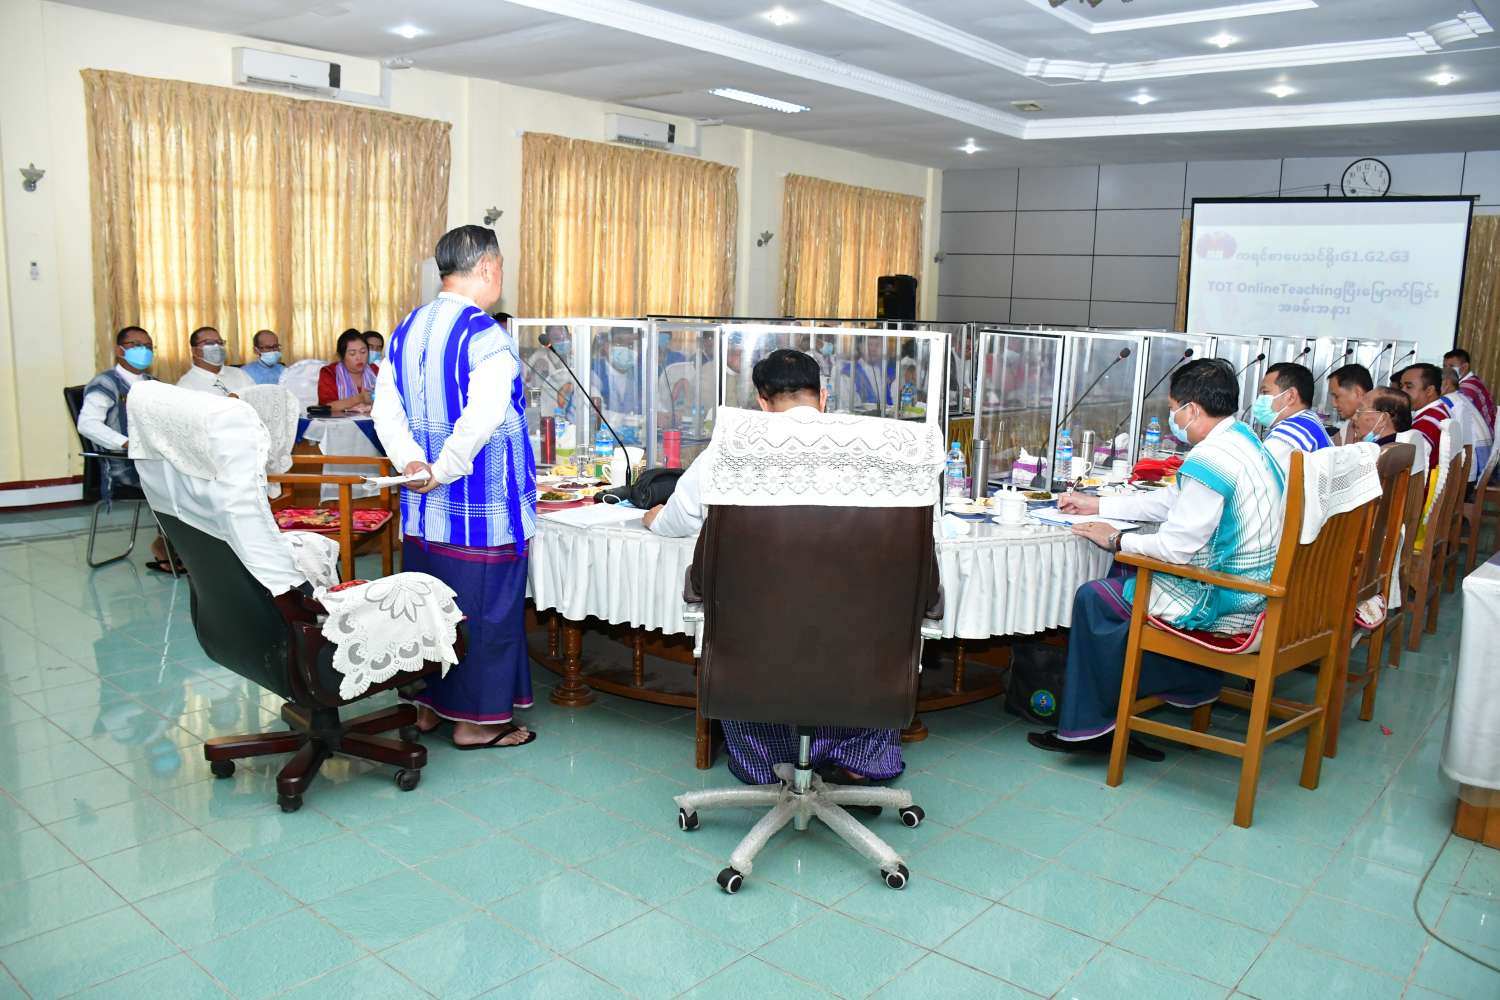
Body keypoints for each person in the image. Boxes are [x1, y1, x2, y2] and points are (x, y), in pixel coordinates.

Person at [646, 349, 905, 785]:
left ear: (761, 402)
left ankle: (767, 760)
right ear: (824, 396)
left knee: (753, 627)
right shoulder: (874, 452)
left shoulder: (729, 452)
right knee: (853, 627)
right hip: (856, 644)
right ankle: (857, 759)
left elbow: (679, 519)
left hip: (761, 641)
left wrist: (654, 518)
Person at [1028, 359, 1286, 760]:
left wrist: (1116, 538)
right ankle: (1151, 697)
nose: (1173, 420)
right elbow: (1172, 500)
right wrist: (1099, 504)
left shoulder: (1212, 459)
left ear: (1193, 409)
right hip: (1258, 592)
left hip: (1228, 603)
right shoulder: (1244, 441)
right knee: (1126, 572)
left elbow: (1175, 549)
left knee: (1095, 598)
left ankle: (1092, 728)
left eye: (1173, 410)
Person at [371, 224, 538, 750]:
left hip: (424, 510)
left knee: (429, 610)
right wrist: (443, 469)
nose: (501, 277)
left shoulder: (407, 328)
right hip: (481, 508)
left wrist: (412, 464)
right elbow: (481, 418)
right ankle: (476, 723)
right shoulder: (485, 335)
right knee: (485, 613)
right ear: (487, 267)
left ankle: (427, 707)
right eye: (501, 268)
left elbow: (385, 410)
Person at [77, 326, 176, 572]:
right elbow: (87, 424)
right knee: (180, 484)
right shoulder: (106, 383)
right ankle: (168, 544)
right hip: (122, 463)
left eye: (148, 346)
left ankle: (179, 543)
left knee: (199, 477)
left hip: (155, 459)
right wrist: (126, 443)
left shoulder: (154, 384)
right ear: (119, 350)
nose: (143, 350)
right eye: (136, 345)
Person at [1253, 362, 1331, 475]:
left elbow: (1258, 478)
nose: (1260, 399)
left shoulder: (1288, 434)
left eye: (1265, 392)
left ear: (1290, 396)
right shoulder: (1309, 420)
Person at [1442, 371, 1493, 485]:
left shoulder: (1447, 402)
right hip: (1484, 465)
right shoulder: (1461, 397)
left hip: (1471, 471)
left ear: (1446, 383)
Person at [1400, 363, 1450, 469]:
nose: (1402, 392)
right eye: (1401, 386)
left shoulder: (1428, 422)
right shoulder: (1439, 411)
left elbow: (1411, 466)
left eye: (1409, 387)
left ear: (1429, 391)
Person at [177, 326, 253, 396]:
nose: (217, 346)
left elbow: (256, 398)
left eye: (220, 342)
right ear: (194, 351)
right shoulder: (185, 386)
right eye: (209, 343)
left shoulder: (240, 374)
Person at [318, 329, 378, 413]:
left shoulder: (375, 371)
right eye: (352, 354)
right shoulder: (329, 373)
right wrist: (359, 399)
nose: (359, 358)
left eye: (363, 352)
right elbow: (326, 407)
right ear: (341, 357)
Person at [1443, 348, 1495, 429]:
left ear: (1465, 367)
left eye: (1451, 366)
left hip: (1481, 434)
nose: (1446, 370)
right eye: (1444, 366)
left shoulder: (1468, 387)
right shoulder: (1468, 381)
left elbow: (1449, 410)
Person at [1328, 363, 1373, 444]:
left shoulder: (1379, 428)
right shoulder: (1348, 426)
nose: (1334, 404)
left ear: (1357, 393)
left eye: (1337, 396)